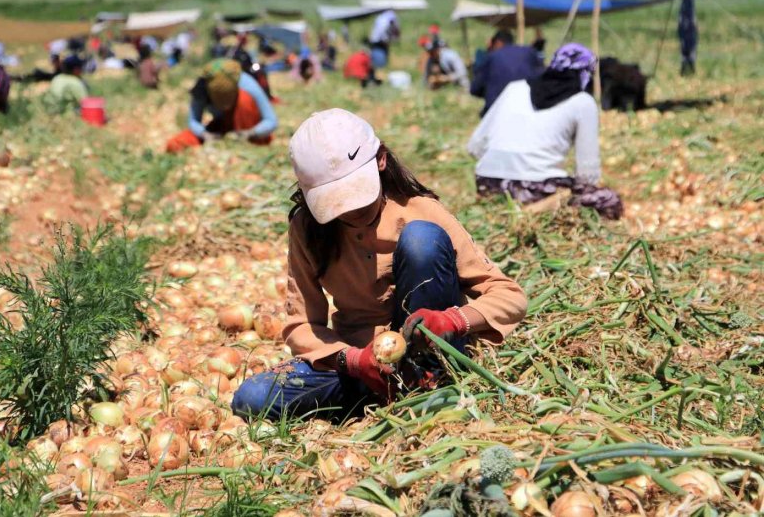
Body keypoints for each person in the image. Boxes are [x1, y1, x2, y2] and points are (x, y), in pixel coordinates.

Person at [231, 109, 527, 421]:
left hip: (434, 352)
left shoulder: (421, 210)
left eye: (355, 192)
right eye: (334, 200)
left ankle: (430, 378)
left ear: (381, 159)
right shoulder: (307, 229)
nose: (349, 209)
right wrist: (353, 360)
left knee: (421, 239)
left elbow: (510, 297)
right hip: (364, 363)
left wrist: (453, 321)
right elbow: (301, 326)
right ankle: (388, 391)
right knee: (252, 398)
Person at [467, 43, 623, 220]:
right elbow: (587, 174)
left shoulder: (515, 87)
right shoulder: (583, 102)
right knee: (609, 200)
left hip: (488, 184)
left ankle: (512, 209)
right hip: (537, 189)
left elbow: (474, 147)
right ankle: (535, 210)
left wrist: (503, 166)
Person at [165, 59, 277, 152]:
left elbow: (271, 121)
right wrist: (205, 134)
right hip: (219, 130)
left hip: (247, 130)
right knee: (177, 142)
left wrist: (250, 133)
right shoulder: (202, 89)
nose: (225, 106)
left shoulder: (247, 84)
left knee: (244, 100)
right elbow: (193, 121)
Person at [470, 29, 544, 116]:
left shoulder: (492, 57)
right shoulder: (530, 52)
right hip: (530, 108)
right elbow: (542, 76)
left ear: (497, 43)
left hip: (498, 111)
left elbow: (475, 89)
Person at [678, 0, 698, 76]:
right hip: (686, 27)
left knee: (690, 43)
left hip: (689, 27)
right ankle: (686, 67)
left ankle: (689, 67)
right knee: (685, 44)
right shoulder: (684, 13)